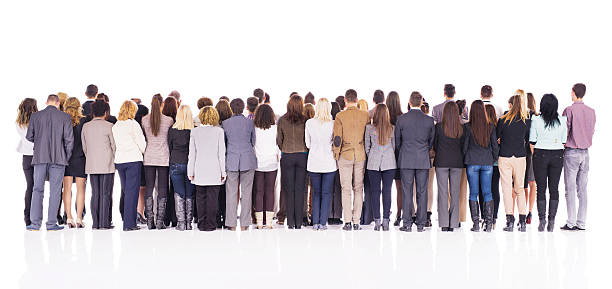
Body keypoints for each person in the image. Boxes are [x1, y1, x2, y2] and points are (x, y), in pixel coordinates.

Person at [25, 94, 74, 231]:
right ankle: (51, 223)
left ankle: (35, 224)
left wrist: (40, 141)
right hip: (59, 158)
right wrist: (66, 156)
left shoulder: (36, 116)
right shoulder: (65, 117)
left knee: (37, 189)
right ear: (58, 103)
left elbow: (29, 136)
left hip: (40, 157)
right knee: (55, 191)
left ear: (46, 102)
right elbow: (69, 140)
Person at [395, 91, 434, 232]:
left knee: (407, 191)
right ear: (421, 103)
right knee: (422, 192)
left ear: (410, 103)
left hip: (406, 159)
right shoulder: (429, 120)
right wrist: (423, 150)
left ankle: (406, 223)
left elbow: (397, 142)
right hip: (423, 159)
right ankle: (421, 223)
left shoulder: (402, 119)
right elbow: (431, 142)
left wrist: (405, 150)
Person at [528, 93, 568, 232]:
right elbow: (564, 141)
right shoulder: (562, 120)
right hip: (557, 155)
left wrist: (537, 154)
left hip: (540, 154)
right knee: (554, 189)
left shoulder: (536, 119)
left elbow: (532, 140)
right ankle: (552, 221)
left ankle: (542, 220)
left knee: (541, 188)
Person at [333, 89, 370, 231]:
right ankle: (356, 221)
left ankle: (347, 221)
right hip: (360, 154)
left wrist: (336, 155)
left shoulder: (340, 116)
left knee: (346, 189)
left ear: (345, 100)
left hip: (345, 155)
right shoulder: (365, 115)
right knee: (358, 188)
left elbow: (337, 139)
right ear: (356, 99)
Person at [562, 83, 595, 231]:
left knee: (570, 189)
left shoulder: (569, 110)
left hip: (571, 152)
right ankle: (581, 223)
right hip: (586, 153)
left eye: (571, 92)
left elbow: (565, 132)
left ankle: (571, 222)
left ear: (574, 93)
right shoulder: (591, 111)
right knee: (582, 189)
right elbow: (591, 131)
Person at [188, 106, 226, 231]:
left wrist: (190, 171)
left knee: (200, 198)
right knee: (212, 198)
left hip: (199, 169)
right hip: (214, 169)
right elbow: (221, 154)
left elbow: (192, 154)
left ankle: (201, 223)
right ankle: (211, 224)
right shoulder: (219, 131)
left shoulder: (194, 131)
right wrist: (223, 171)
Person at [463, 100, 498, 232]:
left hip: (472, 162)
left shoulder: (467, 127)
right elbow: (495, 146)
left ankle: (476, 224)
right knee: (488, 192)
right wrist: (493, 159)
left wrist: (464, 158)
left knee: (473, 193)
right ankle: (489, 224)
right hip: (487, 162)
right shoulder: (490, 126)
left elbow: (465, 146)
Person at [223, 98, 257, 231]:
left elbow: (224, 144)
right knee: (247, 193)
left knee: (231, 193)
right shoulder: (250, 123)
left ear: (231, 109)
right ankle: (244, 224)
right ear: (243, 108)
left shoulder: (225, 123)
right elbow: (253, 141)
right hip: (247, 160)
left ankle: (231, 224)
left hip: (231, 160)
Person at [497, 94, 530, 232]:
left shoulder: (502, 120)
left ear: (510, 104)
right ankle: (522, 222)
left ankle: (510, 221)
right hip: (520, 157)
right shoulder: (526, 121)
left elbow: (497, 138)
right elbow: (527, 140)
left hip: (505, 156)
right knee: (520, 189)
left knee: (506, 190)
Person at [141, 94, 174, 229]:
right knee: (162, 188)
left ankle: (149, 220)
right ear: (162, 105)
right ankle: (160, 221)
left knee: (149, 188)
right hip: (163, 156)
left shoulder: (144, 119)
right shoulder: (169, 120)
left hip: (149, 156)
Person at [112, 100, 146, 231]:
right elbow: (141, 143)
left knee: (127, 191)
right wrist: (142, 152)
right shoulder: (133, 124)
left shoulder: (116, 126)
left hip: (120, 161)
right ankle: (129, 224)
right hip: (133, 160)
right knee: (132, 192)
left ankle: (128, 221)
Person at [82, 100, 115, 229]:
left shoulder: (86, 126)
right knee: (106, 193)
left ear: (93, 112)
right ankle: (104, 223)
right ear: (106, 112)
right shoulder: (110, 126)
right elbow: (114, 146)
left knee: (95, 193)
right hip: (107, 164)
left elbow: (84, 147)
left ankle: (95, 223)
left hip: (91, 163)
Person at [277, 94, 309, 229]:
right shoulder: (306, 120)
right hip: (302, 155)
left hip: (287, 156)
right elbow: (308, 140)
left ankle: (290, 222)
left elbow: (279, 141)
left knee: (288, 190)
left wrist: (285, 148)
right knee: (300, 189)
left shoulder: (282, 120)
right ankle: (298, 223)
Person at [305, 98, 337, 230]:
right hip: (329, 162)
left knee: (316, 193)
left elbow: (308, 144)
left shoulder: (309, 123)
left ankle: (315, 222)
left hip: (314, 162)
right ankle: (323, 223)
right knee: (326, 193)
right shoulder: (333, 123)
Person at [433, 102, 465, 232]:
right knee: (455, 192)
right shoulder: (462, 128)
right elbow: (463, 147)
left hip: (441, 162)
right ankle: (454, 222)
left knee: (442, 193)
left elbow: (434, 144)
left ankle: (444, 223)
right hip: (457, 163)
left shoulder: (439, 127)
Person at [365, 103, 396, 231]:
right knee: (387, 191)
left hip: (373, 163)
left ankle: (377, 221)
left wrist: (372, 155)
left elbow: (367, 147)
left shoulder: (369, 128)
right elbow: (394, 147)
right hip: (389, 163)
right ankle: (386, 221)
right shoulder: (392, 128)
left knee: (375, 192)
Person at [61, 97, 87, 228]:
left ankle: (69, 217)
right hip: (81, 158)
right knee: (81, 189)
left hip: (66, 159)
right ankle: (79, 218)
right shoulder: (84, 121)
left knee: (67, 189)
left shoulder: (62, 120)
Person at [168, 105, 195, 231]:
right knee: (189, 193)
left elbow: (170, 147)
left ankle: (181, 223)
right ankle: (189, 223)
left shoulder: (172, 130)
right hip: (190, 164)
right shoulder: (193, 131)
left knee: (179, 193)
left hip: (175, 163)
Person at [253, 104, 280, 229]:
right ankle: (269, 222)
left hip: (258, 163)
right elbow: (278, 145)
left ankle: (259, 223)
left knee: (259, 191)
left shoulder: (254, 128)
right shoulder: (275, 129)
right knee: (270, 191)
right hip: (272, 163)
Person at [16, 98, 38, 226]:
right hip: (37, 156)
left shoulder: (19, 123)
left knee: (30, 186)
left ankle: (27, 216)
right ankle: (35, 215)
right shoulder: (37, 121)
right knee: (38, 188)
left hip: (26, 158)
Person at [386, 91, 404, 226]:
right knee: (399, 188)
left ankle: (385, 214)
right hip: (399, 156)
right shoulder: (403, 118)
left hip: (386, 155)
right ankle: (399, 214)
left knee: (385, 187)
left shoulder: (382, 117)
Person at [131, 98, 149, 224]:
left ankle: (134, 213)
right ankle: (140, 212)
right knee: (142, 188)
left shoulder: (130, 124)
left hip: (129, 160)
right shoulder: (142, 127)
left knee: (132, 188)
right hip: (142, 159)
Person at [483, 105, 501, 227]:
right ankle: (494, 217)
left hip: (485, 162)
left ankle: (485, 216)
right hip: (496, 163)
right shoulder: (498, 127)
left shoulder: (483, 127)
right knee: (495, 189)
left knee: (483, 190)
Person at [327, 101, 343, 225]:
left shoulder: (326, 123)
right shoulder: (339, 122)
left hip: (326, 160)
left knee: (327, 188)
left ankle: (327, 214)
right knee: (338, 188)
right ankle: (337, 215)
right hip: (338, 159)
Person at [523, 92, 538, 224]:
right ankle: (530, 212)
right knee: (533, 183)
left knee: (523, 185)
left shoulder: (522, 116)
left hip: (522, 152)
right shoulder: (537, 117)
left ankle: (522, 212)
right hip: (534, 152)